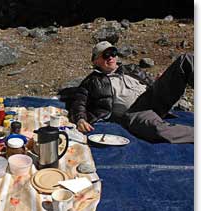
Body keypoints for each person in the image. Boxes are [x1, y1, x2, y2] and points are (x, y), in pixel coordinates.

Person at [59, 41, 193, 143]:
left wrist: (160, 80)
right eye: (105, 55)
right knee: (158, 130)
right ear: (96, 60)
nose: (110, 57)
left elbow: (150, 81)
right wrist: (80, 119)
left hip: (155, 96)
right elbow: (79, 102)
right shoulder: (92, 81)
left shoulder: (131, 68)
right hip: (136, 111)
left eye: (113, 53)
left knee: (186, 60)